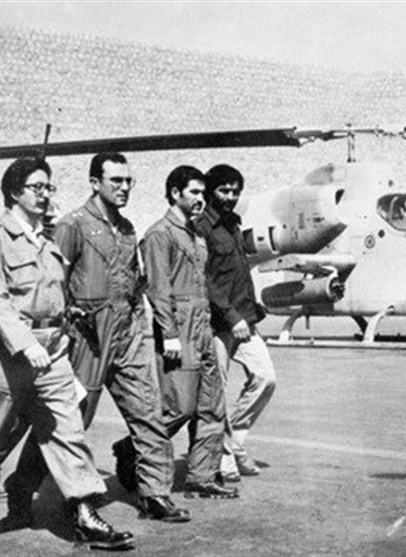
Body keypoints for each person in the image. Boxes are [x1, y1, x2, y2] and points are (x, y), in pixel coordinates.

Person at [0, 157, 134, 550]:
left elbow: (53, 295)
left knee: (68, 431)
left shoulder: (47, 241)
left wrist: (63, 325)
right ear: (14, 192)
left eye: (48, 187)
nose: (45, 195)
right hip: (9, 354)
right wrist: (27, 343)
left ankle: (84, 512)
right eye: (37, 187)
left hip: (52, 351)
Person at [53, 152, 189, 522]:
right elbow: (53, 282)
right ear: (95, 183)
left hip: (127, 333)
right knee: (72, 420)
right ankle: (27, 488)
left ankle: (155, 495)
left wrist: (141, 326)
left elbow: (136, 283)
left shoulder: (128, 229)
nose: (125, 187)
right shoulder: (72, 226)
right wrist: (68, 317)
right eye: (116, 181)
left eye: (129, 181)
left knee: (148, 413)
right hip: (88, 337)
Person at [137, 165, 238, 499]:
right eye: (194, 192)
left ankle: (202, 477)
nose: (201, 199)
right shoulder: (159, 234)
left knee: (212, 406)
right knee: (180, 407)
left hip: (202, 326)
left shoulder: (196, 235)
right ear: (174, 193)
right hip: (178, 330)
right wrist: (168, 333)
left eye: (202, 193)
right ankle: (133, 449)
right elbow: (158, 288)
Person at [194, 164, 276, 482]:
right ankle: (223, 456)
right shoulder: (200, 227)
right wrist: (231, 316)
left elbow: (239, 273)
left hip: (243, 319)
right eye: (224, 190)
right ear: (210, 191)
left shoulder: (233, 224)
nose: (230, 197)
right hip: (217, 324)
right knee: (216, 393)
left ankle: (234, 442)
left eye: (235, 191)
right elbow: (205, 279)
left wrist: (251, 309)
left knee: (265, 378)